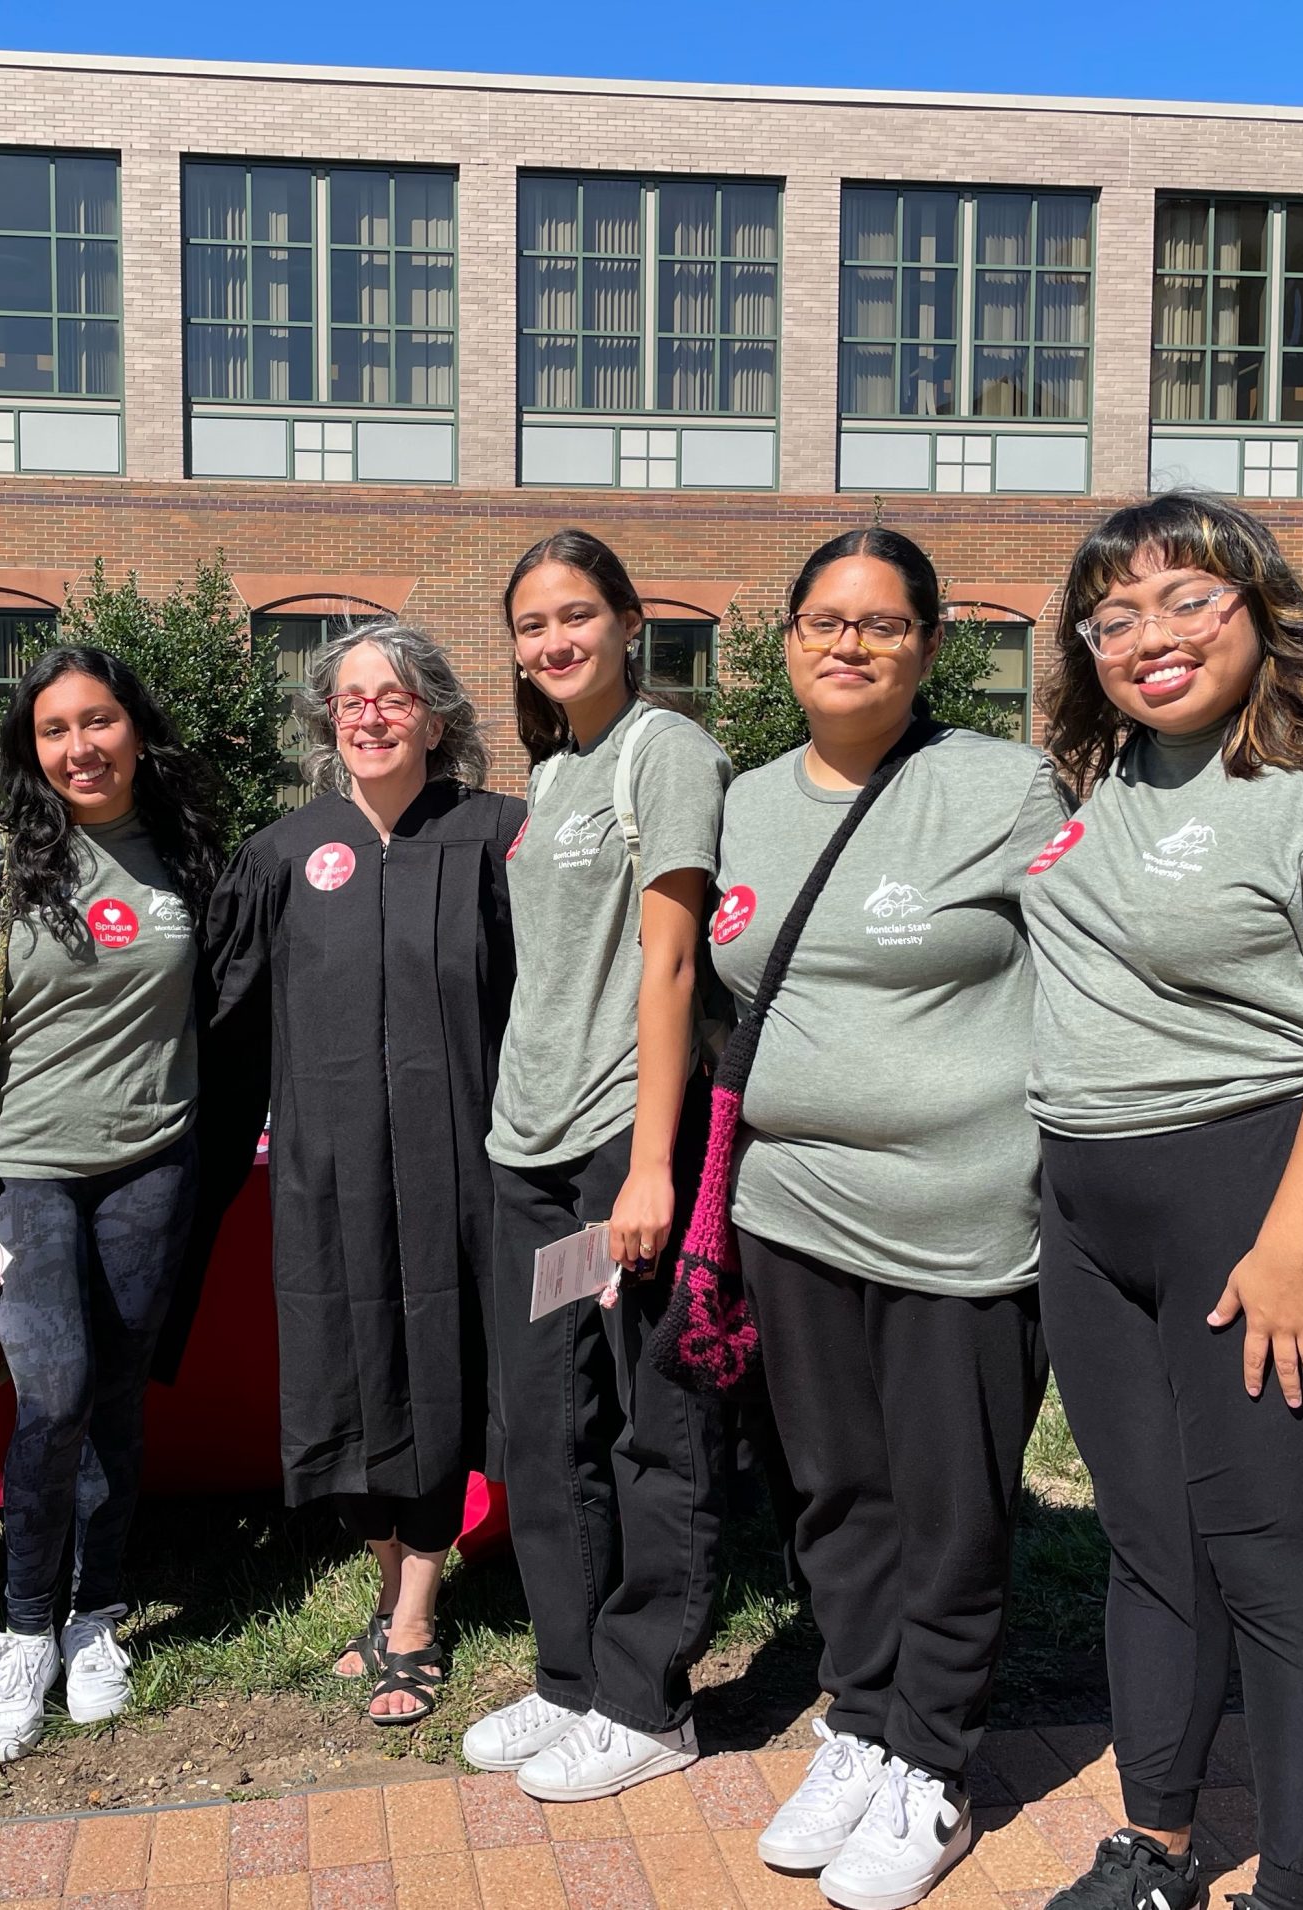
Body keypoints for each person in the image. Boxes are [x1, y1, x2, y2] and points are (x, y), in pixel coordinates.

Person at [1024, 494, 1303, 1910]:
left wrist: (1289, 1247)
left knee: (1275, 1562)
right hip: (1096, 1214)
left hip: (1268, 1205)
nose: (1148, 636)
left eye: (1187, 598)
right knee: (1153, 1549)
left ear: (1261, 606)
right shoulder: (1111, 769)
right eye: (1113, 616)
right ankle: (1154, 1847)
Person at [713, 529, 1070, 1909]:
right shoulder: (745, 799)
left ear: (928, 644)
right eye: (823, 619)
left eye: (881, 622)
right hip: (789, 1208)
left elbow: (1098, 959)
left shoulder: (1000, 786)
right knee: (836, 1489)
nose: (848, 643)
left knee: (949, 1501)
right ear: (787, 640)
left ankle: (933, 1758)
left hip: (958, 1214)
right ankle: (861, 1714)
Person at [205, 621, 523, 1726]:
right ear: (327, 721)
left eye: (396, 697)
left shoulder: (497, 839)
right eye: (351, 699)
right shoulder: (284, 855)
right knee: (344, 1371)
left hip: (460, 1172)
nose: (372, 716)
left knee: (437, 1364)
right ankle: (389, 1585)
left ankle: (417, 1614)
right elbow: (225, 1033)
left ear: (435, 717)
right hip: (326, 1173)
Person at [468, 529, 731, 1801]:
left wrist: (651, 1165)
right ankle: (569, 1673)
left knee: (648, 1420)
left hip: (622, 1141)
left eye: (576, 613)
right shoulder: (555, 770)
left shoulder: (660, 750)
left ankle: (647, 1698)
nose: (554, 639)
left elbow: (672, 961)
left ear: (631, 621)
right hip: (531, 1149)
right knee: (545, 1416)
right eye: (531, 624)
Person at [0, 646, 224, 1760]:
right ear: (30, 747)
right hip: (25, 1168)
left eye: (98, 721)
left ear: (134, 727)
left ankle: (95, 1612)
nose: (79, 747)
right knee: (50, 1397)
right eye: (54, 730)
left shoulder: (182, 848)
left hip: (153, 1162)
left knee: (114, 1395)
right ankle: (24, 1628)